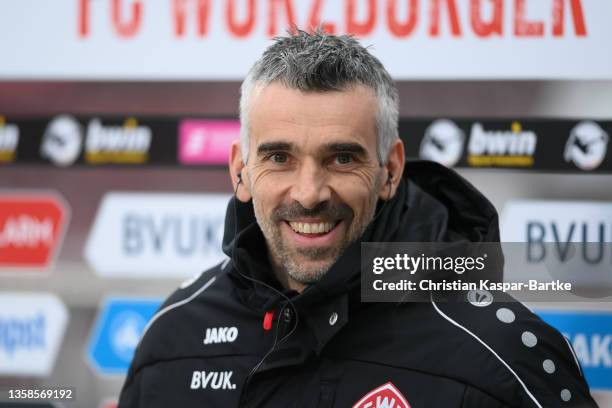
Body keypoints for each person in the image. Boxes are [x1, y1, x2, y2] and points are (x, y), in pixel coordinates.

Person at [118, 30, 598, 407]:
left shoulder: (505, 352)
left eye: (342, 159)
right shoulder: (172, 339)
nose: (309, 194)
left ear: (389, 170)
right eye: (279, 157)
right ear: (240, 171)